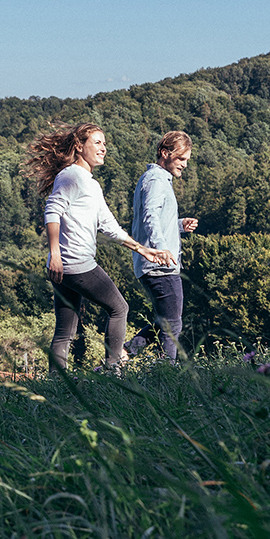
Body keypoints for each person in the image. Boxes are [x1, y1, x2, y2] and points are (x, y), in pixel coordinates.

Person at [22, 123, 175, 372]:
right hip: (76, 263)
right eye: (97, 142)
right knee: (119, 308)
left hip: (65, 266)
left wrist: (143, 250)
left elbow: (109, 226)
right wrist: (55, 253)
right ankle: (113, 369)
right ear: (79, 146)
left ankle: (55, 383)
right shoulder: (72, 175)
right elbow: (52, 210)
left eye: (104, 143)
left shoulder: (90, 184)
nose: (103, 148)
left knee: (65, 330)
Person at [125, 131, 198, 361]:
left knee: (166, 322)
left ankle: (125, 352)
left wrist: (178, 225)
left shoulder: (155, 179)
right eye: (181, 159)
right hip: (160, 265)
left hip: (155, 263)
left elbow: (156, 218)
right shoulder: (156, 180)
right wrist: (161, 249)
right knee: (173, 326)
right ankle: (167, 372)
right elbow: (149, 217)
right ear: (165, 154)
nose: (185, 165)